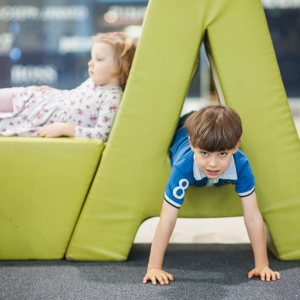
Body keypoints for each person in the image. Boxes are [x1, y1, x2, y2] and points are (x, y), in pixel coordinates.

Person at [143, 105, 280, 285]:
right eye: (204, 154)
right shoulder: (183, 167)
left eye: (222, 154)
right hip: (183, 126)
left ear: (236, 146)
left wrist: (262, 264)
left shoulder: (241, 164)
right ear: (192, 145)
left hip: (210, 129)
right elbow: (167, 219)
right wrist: (153, 267)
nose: (213, 164)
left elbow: (253, 216)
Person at [0, 32, 137, 140]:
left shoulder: (112, 97)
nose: (90, 63)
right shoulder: (94, 81)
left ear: (124, 66)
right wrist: (55, 92)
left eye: (99, 59)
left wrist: (65, 129)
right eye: (92, 58)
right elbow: (75, 96)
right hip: (42, 101)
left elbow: (101, 134)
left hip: (42, 118)